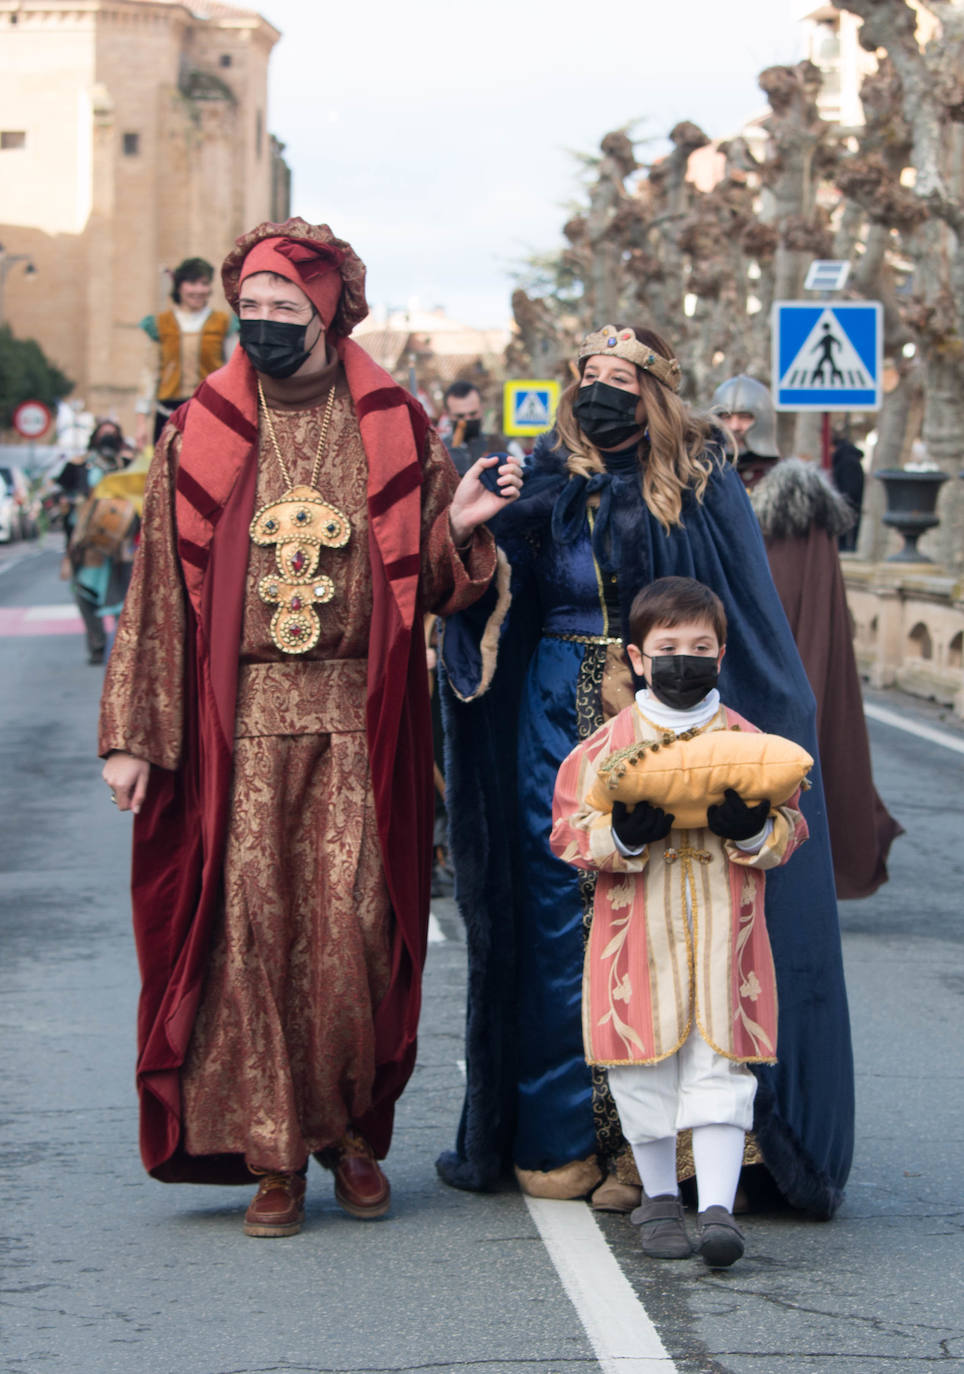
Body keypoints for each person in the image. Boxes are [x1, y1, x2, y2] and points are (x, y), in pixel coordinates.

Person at [99, 217, 520, 1239]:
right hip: (236, 726)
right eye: (251, 311)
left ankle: (350, 1139)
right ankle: (274, 1154)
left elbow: (423, 581)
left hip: (357, 720)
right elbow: (158, 589)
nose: (264, 325)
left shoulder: (393, 419)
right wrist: (134, 734)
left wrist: (456, 530)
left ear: (327, 311)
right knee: (249, 934)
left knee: (354, 932)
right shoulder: (199, 424)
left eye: (285, 310)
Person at [437, 325, 854, 1222]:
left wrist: (762, 730)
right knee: (562, 920)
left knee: (673, 930)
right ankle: (562, 1137)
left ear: (655, 391)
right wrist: (468, 532)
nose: (602, 390)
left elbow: (743, 612)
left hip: (669, 719)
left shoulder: (699, 482)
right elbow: (476, 596)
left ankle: (654, 1155)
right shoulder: (539, 477)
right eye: (589, 375)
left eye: (622, 379)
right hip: (552, 714)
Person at [550, 578, 809, 1267]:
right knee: (643, 1073)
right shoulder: (605, 748)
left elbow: (792, 831)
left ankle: (718, 1209)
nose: (684, 660)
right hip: (636, 944)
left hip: (730, 943)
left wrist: (756, 830)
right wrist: (623, 838)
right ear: (638, 657)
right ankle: (659, 1201)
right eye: (669, 649)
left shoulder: (748, 742)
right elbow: (567, 833)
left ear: (721, 657)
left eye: (700, 648)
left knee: (724, 1073)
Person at [712, 376, 901, 900]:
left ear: (763, 422)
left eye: (744, 417)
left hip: (781, 643)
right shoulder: (700, 486)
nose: (734, 427)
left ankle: (794, 866)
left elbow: (813, 595)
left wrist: (802, 669)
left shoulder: (797, 499)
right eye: (725, 416)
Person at [135, 256, 237, 447]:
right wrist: (141, 422)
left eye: (204, 283)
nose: (198, 290)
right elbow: (149, 374)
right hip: (169, 414)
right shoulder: (160, 324)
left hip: (211, 413)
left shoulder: (223, 323)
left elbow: (235, 372)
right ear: (180, 286)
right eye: (192, 283)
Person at [57, 421, 131, 664]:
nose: (108, 437)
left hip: (121, 546)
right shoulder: (78, 466)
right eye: (103, 433)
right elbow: (60, 495)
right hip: (87, 544)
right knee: (84, 594)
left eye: (112, 433)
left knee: (124, 595)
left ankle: (125, 647)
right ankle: (97, 643)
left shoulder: (129, 465)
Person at [440, 381, 500, 475]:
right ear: (447, 414)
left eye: (473, 414)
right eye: (460, 416)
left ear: (481, 408)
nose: (467, 420)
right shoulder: (439, 451)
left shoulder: (501, 445)